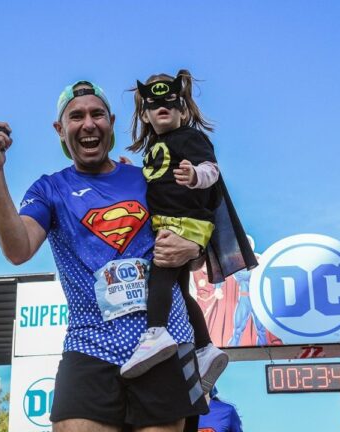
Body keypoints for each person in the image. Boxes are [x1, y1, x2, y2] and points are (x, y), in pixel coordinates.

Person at [0, 80, 207, 431]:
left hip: (161, 341)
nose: (88, 124)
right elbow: (17, 250)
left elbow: (196, 230)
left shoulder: (147, 177)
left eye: (97, 114)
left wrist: (194, 247)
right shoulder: (50, 189)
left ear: (111, 122)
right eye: (76, 117)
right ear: (60, 130)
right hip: (90, 344)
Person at [120, 70, 234, 393]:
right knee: (180, 292)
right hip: (173, 222)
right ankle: (206, 347)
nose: (163, 108)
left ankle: (155, 333)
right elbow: (156, 180)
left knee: (159, 275)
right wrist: (131, 171)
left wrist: (195, 175)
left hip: (183, 223)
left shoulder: (190, 138)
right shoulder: (154, 147)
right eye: (155, 105)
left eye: (170, 102)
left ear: (183, 110)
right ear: (145, 115)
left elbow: (212, 170)